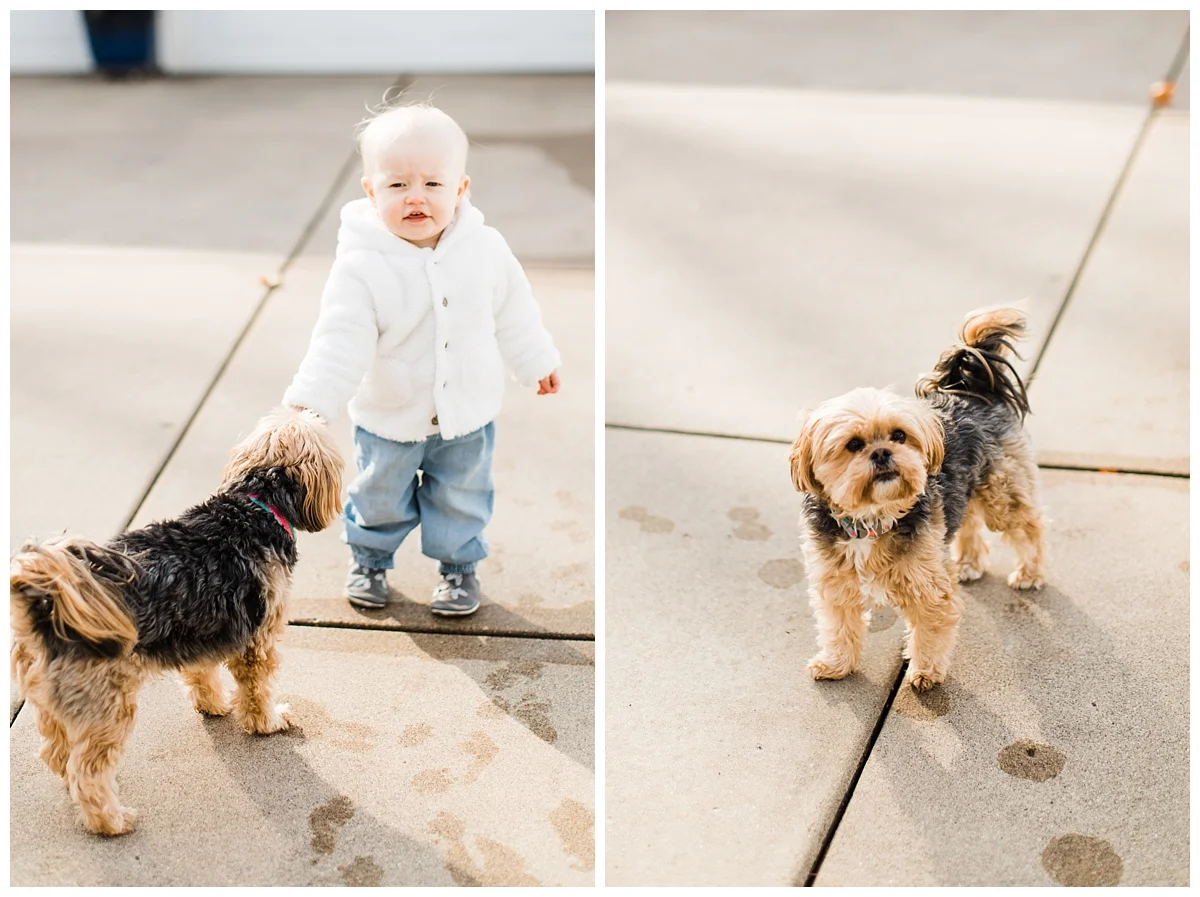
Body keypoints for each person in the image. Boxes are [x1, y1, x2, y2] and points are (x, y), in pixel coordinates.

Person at [284, 102, 561, 616]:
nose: (416, 196)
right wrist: (311, 403)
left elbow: (514, 310)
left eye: (433, 184)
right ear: (371, 192)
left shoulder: (486, 250)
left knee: (461, 497)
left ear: (460, 189)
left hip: (467, 418)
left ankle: (458, 570)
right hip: (390, 417)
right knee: (378, 497)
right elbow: (339, 339)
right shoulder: (361, 267)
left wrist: (535, 359)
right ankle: (369, 559)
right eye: (397, 185)